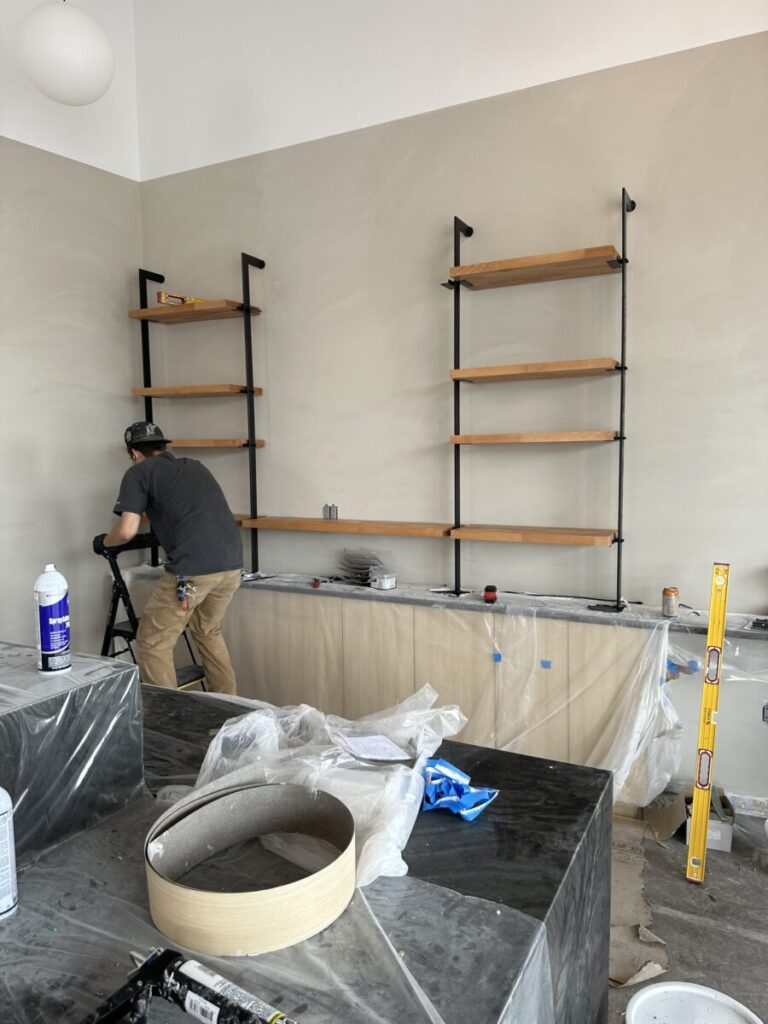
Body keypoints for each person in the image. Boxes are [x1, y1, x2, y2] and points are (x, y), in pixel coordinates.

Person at [94, 421, 243, 694]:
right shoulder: (194, 466)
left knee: (153, 641)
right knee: (207, 630)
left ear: (134, 453)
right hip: (232, 564)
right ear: (163, 446)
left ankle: (167, 714)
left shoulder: (138, 472)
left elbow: (126, 531)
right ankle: (230, 706)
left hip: (194, 569)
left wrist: (104, 542)